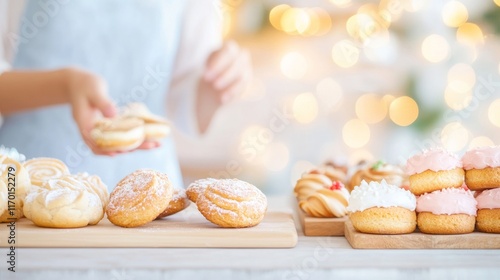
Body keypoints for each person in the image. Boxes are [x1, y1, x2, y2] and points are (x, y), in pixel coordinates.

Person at [0, 0, 252, 189]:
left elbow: (187, 107)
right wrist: (65, 85)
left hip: (149, 193)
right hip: (25, 190)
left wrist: (219, 83)